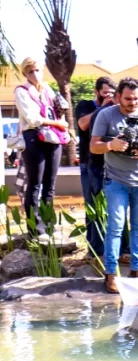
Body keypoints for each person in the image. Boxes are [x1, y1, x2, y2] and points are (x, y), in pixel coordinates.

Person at [90, 78, 138, 293]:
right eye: (128, 99)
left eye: (136, 99)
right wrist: (111, 145)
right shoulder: (106, 115)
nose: (132, 103)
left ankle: (137, 269)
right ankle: (111, 273)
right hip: (116, 180)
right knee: (116, 226)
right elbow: (94, 146)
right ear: (118, 97)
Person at [14, 57, 68, 234]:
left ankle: (48, 223)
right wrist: (57, 123)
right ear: (25, 73)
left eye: (37, 70)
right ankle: (35, 228)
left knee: (50, 185)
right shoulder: (21, 91)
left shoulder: (47, 89)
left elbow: (58, 110)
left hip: (53, 137)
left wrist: (61, 123)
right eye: (30, 71)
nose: (35, 74)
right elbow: (32, 118)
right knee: (35, 184)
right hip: (34, 137)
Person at [75, 77, 116, 256]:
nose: (109, 97)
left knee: (111, 207)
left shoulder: (116, 109)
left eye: (112, 94)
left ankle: (113, 247)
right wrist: (102, 108)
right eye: (105, 93)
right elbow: (83, 124)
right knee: (93, 206)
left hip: (110, 163)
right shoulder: (85, 105)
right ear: (97, 92)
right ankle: (94, 249)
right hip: (89, 163)